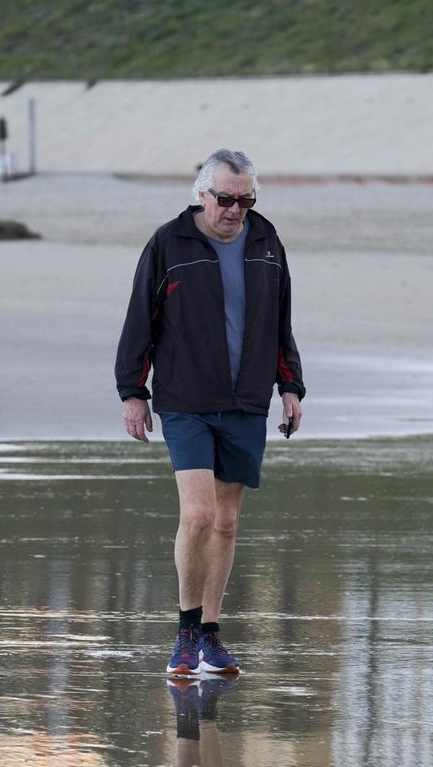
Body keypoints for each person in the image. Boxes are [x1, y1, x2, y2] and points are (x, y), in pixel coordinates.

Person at [115, 148, 306, 676]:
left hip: (246, 399)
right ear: (201, 195)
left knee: (226, 522)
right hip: (185, 399)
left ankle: (212, 635)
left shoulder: (267, 244)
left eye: (245, 200)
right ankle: (184, 631)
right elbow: (140, 319)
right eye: (226, 199)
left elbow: (279, 322)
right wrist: (133, 391)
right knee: (197, 515)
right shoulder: (169, 243)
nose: (235, 210)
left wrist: (291, 387)